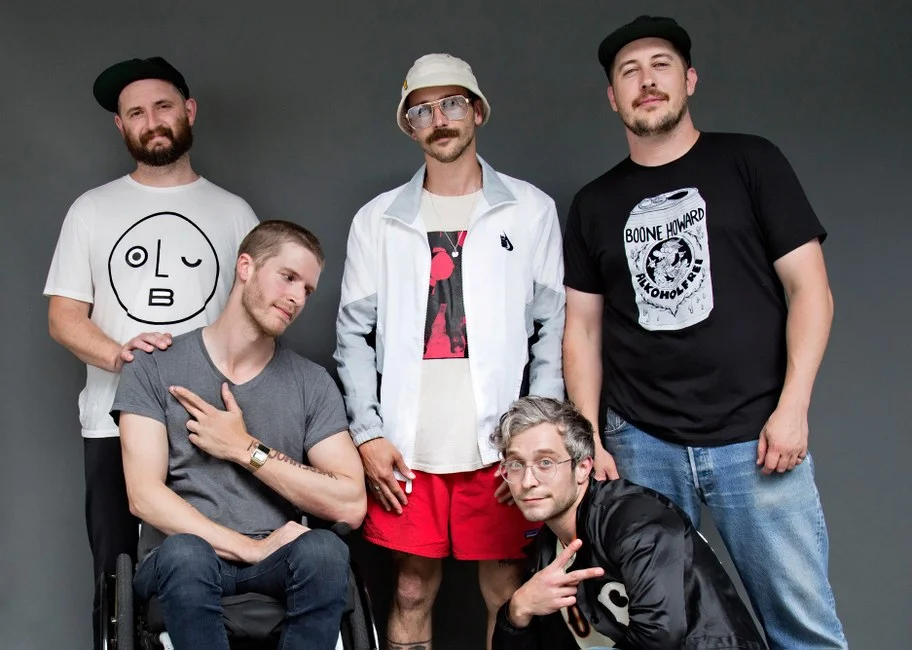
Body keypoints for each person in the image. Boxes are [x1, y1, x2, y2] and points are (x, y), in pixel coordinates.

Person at [562, 15, 846, 649]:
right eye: (629, 72)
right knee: (659, 630)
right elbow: (581, 331)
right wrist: (588, 438)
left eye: (660, 65)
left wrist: (793, 407)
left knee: (801, 628)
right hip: (640, 444)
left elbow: (811, 292)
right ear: (612, 97)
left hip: (757, 437)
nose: (646, 81)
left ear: (689, 79)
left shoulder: (750, 161)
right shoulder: (594, 204)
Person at [335, 53, 565, 649]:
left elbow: (552, 328)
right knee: (411, 588)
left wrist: (536, 437)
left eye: (453, 104)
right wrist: (368, 433)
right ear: (409, 126)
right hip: (407, 446)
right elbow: (352, 335)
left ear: (478, 111)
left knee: (506, 588)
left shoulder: (531, 210)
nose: (439, 119)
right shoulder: (377, 220)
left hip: (500, 444)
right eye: (422, 110)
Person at [43, 56, 258, 648]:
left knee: (215, 571)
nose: (151, 120)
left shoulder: (234, 212)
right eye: (135, 112)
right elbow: (63, 317)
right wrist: (123, 357)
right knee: (116, 581)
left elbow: (257, 320)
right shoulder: (91, 209)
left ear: (188, 111)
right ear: (121, 126)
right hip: (111, 423)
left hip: (207, 427)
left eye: (163, 106)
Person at [112, 220, 367, 649]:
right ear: (246, 267)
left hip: (276, 562)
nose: (297, 297)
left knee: (326, 551)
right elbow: (143, 496)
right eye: (288, 277)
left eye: (307, 289)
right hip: (181, 561)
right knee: (187, 553)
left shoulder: (311, 384)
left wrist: (245, 449)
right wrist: (249, 548)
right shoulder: (153, 366)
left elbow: (350, 503)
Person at [490, 397, 766, 649]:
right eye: (516, 464)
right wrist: (518, 608)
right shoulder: (547, 552)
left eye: (545, 462)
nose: (527, 481)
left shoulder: (636, 522)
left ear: (583, 467)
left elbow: (659, 638)